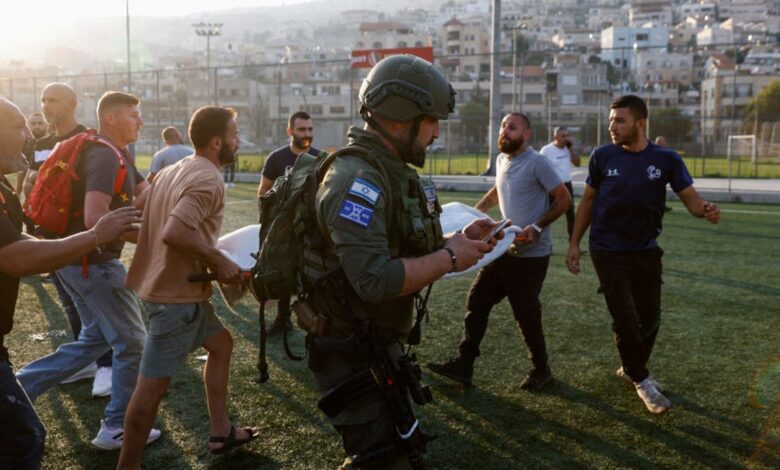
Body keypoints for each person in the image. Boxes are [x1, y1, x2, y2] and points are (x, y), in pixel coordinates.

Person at [302, 55, 500, 468]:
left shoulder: (387, 172)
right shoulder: (356, 181)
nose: (436, 133)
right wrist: (448, 257)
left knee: (398, 450)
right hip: (349, 350)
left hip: (374, 342)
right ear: (398, 117)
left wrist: (457, 242)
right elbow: (374, 279)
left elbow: (395, 249)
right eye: (431, 120)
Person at [0, 96, 142, 470]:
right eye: (18, 126)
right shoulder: (105, 153)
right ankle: (117, 426)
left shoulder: (6, 190)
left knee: (94, 339)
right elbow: (16, 258)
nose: (31, 134)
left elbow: (23, 246)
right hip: (91, 265)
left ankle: (20, 385)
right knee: (132, 342)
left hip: (76, 260)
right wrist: (97, 237)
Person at [119, 106, 259, 468]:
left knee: (221, 344)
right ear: (217, 142)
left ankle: (220, 430)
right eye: (234, 134)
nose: (238, 141)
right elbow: (175, 232)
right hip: (173, 300)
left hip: (177, 291)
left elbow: (137, 214)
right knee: (151, 391)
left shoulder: (170, 170)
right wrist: (220, 260)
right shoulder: (207, 178)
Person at [566, 95, 720, 414]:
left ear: (640, 123)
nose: (612, 126)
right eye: (610, 120)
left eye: (619, 120)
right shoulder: (602, 156)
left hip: (646, 250)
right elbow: (588, 203)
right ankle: (641, 379)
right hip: (606, 249)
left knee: (650, 319)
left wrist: (705, 209)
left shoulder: (666, 159)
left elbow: (690, 199)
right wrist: (574, 243)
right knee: (625, 317)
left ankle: (631, 366)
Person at [427, 113, 572, 390]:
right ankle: (464, 365)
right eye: (503, 126)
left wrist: (537, 227)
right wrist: (473, 214)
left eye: (512, 127)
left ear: (526, 134)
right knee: (476, 302)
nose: (505, 131)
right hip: (502, 249)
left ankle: (541, 370)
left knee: (526, 315)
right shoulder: (502, 160)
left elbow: (563, 199)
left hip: (531, 257)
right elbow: (498, 190)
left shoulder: (537, 163)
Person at [29, 83, 117, 396]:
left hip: (80, 241)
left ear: (73, 104)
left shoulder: (88, 141)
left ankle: (107, 366)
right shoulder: (41, 144)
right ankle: (91, 362)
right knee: (71, 305)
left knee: (98, 309)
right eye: (43, 100)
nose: (45, 105)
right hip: (49, 239)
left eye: (53, 100)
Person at [257, 111, 327, 336]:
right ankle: (282, 318)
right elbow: (264, 191)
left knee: (315, 272)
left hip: (312, 227)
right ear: (290, 131)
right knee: (284, 270)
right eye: (301, 129)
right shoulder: (277, 158)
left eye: (310, 129)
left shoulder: (321, 158)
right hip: (284, 228)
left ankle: (318, 321)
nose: (307, 134)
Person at [540, 126, 580, 239]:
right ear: (555, 136)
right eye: (563, 136)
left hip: (567, 185)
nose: (566, 138)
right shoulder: (546, 150)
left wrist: (571, 149)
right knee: (547, 215)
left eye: (567, 136)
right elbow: (541, 169)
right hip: (552, 187)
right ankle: (544, 242)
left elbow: (577, 163)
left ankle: (573, 243)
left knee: (571, 215)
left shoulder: (567, 149)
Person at [15, 112, 47, 196]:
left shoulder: (53, 144)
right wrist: (18, 193)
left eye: (40, 123)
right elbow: (21, 172)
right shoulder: (24, 144)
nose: (37, 126)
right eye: (33, 123)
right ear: (28, 125)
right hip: (29, 189)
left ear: (46, 125)